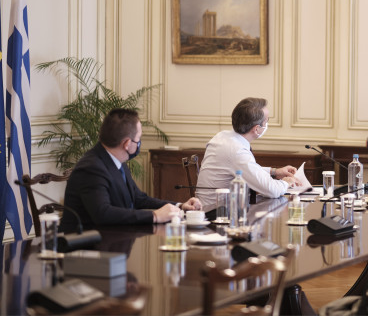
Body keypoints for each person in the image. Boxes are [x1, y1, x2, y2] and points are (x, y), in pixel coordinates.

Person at [62, 109, 202, 232]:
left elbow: (138, 198)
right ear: (127, 144)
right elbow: (103, 213)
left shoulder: (116, 160)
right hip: (88, 252)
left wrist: (179, 206)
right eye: (138, 139)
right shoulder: (92, 168)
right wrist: (155, 216)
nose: (139, 143)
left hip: (114, 241)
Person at [196, 97, 299, 211]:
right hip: (217, 214)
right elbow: (272, 190)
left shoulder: (223, 136)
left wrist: (274, 172)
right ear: (257, 129)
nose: (267, 124)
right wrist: (286, 183)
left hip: (218, 208)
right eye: (267, 121)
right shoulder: (236, 150)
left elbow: (244, 169)